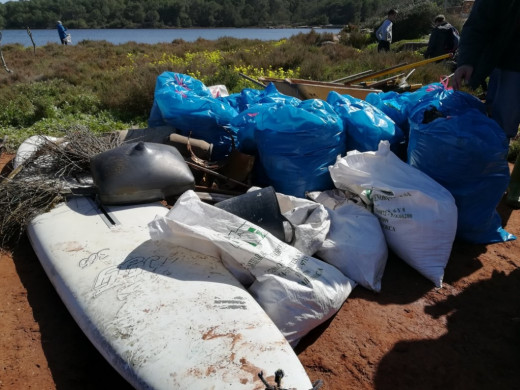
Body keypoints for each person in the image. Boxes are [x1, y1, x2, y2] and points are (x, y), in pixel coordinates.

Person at [452, 0, 520, 208]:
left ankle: (517, 184)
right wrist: (467, 60)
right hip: (512, 65)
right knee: (501, 129)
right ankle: (491, 183)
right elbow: (479, 23)